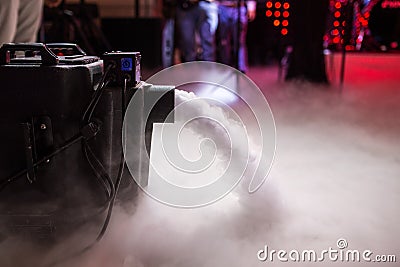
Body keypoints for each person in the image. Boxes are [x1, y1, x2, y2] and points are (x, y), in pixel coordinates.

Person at [216, 0, 256, 73]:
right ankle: (225, 66)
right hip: (222, 7)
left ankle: (241, 67)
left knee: (239, 40)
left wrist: (251, 6)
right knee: (223, 41)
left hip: (239, 8)